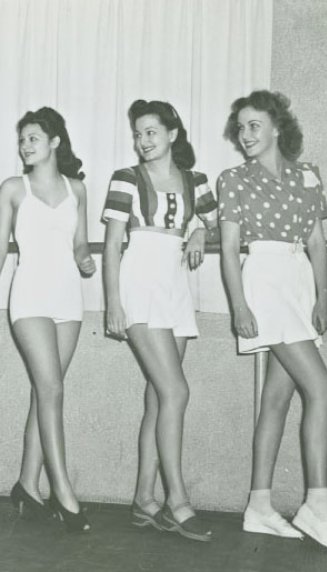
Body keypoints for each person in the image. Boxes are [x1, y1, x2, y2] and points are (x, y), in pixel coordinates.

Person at [218, 90, 327, 553]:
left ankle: (259, 505)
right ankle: (317, 505)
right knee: (325, 390)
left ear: (277, 128)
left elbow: (317, 242)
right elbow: (231, 250)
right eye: (241, 127)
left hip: (298, 283)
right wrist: (238, 305)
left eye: (254, 125)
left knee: (276, 398)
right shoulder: (233, 179)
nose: (246, 135)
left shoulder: (308, 176)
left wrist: (325, 294)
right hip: (265, 282)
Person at [102, 100, 217, 542]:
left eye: (151, 132)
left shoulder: (196, 181)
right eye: (138, 133)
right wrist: (113, 302)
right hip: (139, 283)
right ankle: (178, 501)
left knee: (159, 396)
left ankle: (144, 498)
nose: (143, 141)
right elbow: (112, 245)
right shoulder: (127, 179)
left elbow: (218, 223)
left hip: (174, 286)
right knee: (176, 391)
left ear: (172, 134)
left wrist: (200, 230)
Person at [0, 107, 95, 532]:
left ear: (54, 142)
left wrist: (85, 261)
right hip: (28, 295)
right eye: (22, 139)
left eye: (33, 138)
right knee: (51, 388)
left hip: (68, 297)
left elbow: (80, 244)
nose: (25, 146)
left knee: (45, 393)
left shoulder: (78, 189)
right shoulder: (13, 188)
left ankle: (27, 484)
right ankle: (62, 491)